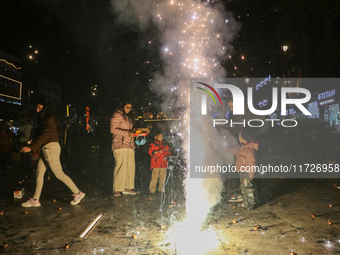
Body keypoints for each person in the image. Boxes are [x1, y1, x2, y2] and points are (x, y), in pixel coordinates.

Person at [20, 98, 85, 207]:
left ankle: (78, 193)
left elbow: (45, 136)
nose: (37, 110)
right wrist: (33, 142)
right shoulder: (46, 118)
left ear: (45, 108)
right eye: (37, 107)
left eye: (40, 108)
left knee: (59, 174)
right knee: (39, 173)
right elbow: (42, 135)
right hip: (46, 149)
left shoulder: (50, 119)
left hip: (50, 149)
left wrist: (31, 147)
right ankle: (35, 199)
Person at [110, 101, 138, 197]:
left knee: (130, 167)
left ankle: (127, 187)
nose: (129, 109)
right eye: (127, 107)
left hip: (129, 145)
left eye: (130, 108)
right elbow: (113, 129)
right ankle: (117, 188)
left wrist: (135, 132)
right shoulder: (117, 115)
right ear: (122, 106)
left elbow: (128, 131)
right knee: (121, 166)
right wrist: (128, 133)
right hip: (120, 145)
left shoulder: (127, 117)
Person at [228, 129, 259, 210]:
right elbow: (235, 151)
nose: (239, 138)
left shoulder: (248, 149)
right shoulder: (242, 147)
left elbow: (252, 162)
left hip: (247, 172)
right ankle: (246, 203)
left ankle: (251, 203)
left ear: (245, 138)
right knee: (243, 188)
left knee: (248, 188)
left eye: (240, 137)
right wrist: (225, 149)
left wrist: (251, 173)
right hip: (242, 171)